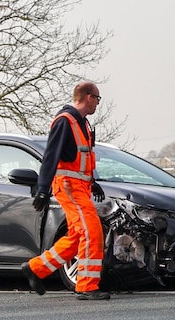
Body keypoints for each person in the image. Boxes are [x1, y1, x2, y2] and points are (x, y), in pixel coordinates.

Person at [21, 81, 111, 301]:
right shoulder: (65, 121)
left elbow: (81, 160)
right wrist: (43, 189)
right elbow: (51, 156)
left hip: (79, 187)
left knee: (77, 235)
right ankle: (87, 286)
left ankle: (35, 268)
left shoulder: (82, 124)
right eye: (98, 99)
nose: (98, 104)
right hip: (69, 188)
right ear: (88, 97)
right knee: (92, 232)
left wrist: (93, 181)